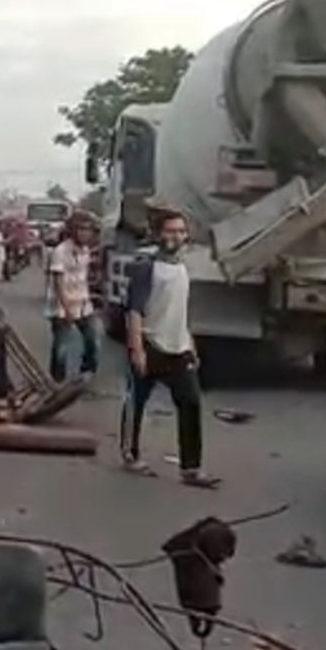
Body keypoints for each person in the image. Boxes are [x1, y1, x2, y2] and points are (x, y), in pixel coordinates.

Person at [119, 207, 221, 489]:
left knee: (191, 404)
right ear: (158, 234)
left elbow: (181, 312)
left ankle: (191, 468)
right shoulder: (146, 267)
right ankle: (131, 454)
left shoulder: (183, 267)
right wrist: (137, 349)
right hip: (151, 345)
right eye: (170, 231)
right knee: (136, 403)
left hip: (179, 348)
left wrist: (191, 345)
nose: (176, 236)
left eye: (180, 231)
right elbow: (134, 311)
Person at [47, 211, 100, 381]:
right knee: (61, 347)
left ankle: (86, 372)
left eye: (88, 230)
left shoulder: (85, 251)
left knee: (93, 339)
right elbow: (58, 283)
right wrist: (67, 307)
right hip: (62, 306)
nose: (85, 233)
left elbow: (84, 278)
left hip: (83, 304)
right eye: (81, 229)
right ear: (73, 230)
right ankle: (57, 381)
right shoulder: (60, 251)